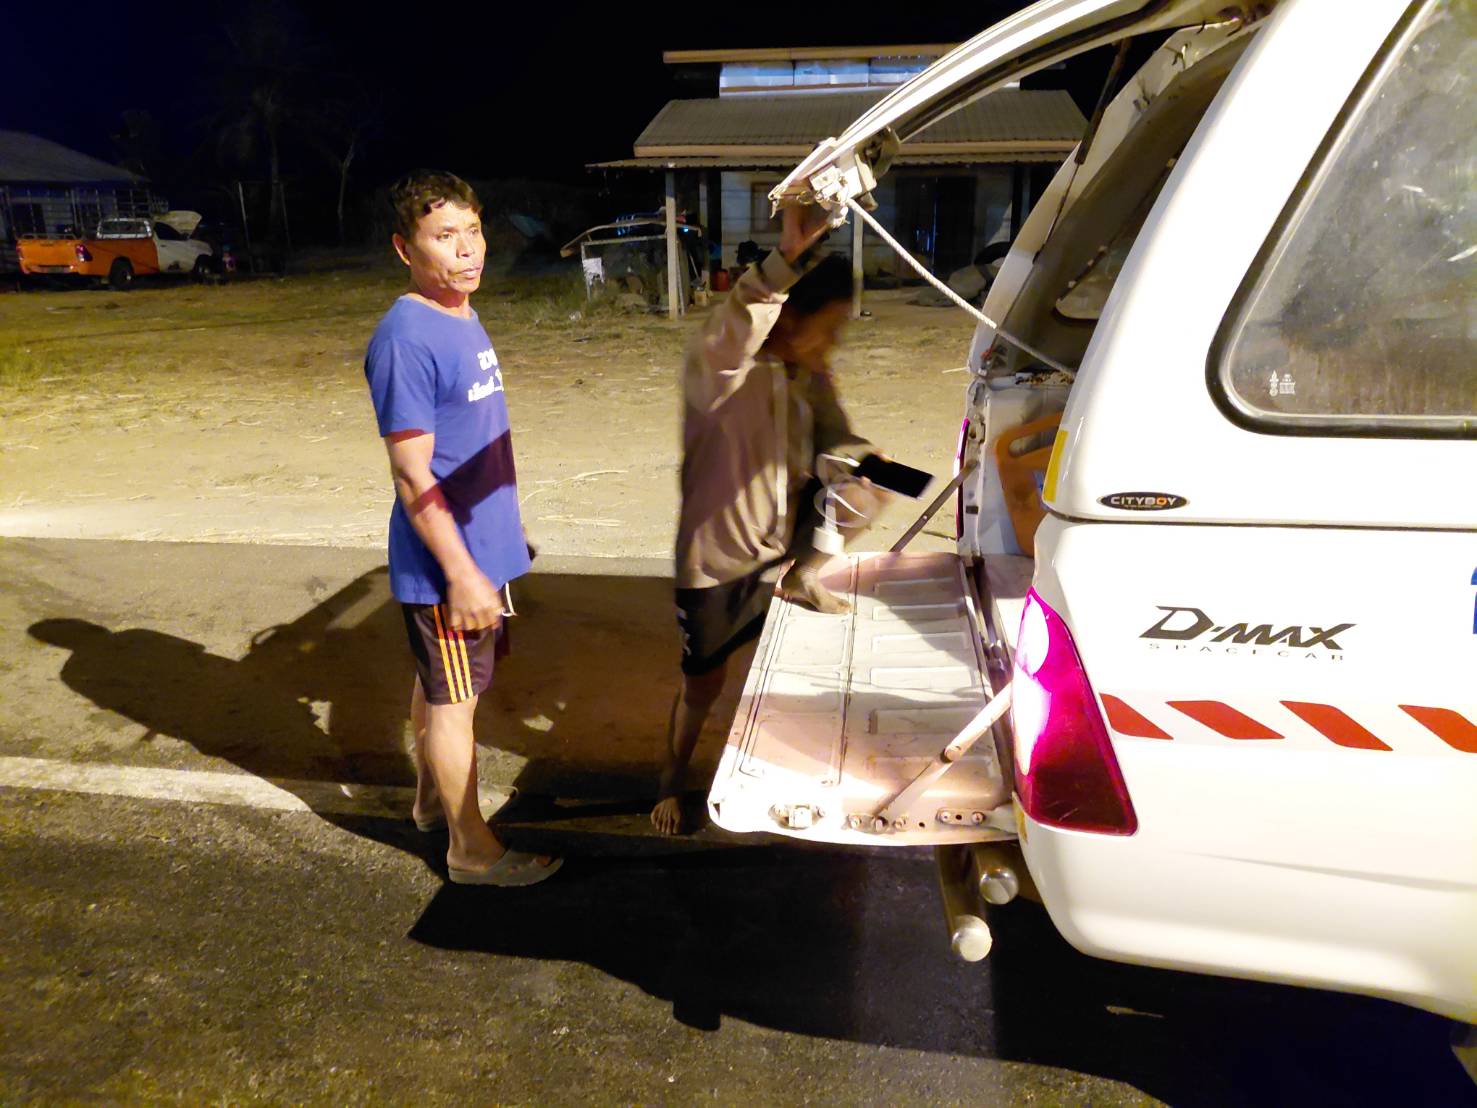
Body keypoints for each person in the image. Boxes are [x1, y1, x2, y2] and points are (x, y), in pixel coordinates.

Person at [652, 203, 884, 835]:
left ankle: (802, 578)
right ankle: (672, 778)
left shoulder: (807, 375)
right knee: (703, 686)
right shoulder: (721, 373)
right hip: (717, 564)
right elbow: (734, 325)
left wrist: (861, 464)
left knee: (870, 490)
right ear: (790, 317)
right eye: (827, 330)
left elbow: (837, 437)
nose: (832, 345)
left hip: (781, 547)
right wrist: (785, 258)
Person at [363, 170, 559, 885]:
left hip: (480, 547)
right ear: (404, 249)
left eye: (472, 231)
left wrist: (501, 537)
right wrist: (463, 571)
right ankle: (469, 849)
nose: (467, 249)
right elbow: (413, 474)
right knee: (454, 706)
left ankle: (429, 803)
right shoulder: (405, 338)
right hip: (447, 565)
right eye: (445, 236)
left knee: (440, 690)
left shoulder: (460, 315)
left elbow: (469, 444)